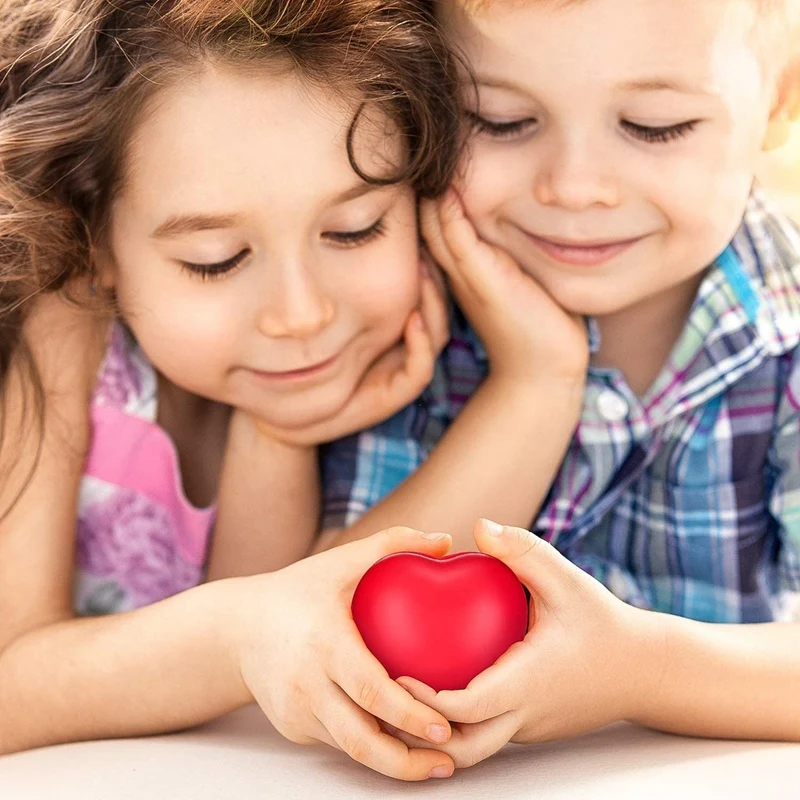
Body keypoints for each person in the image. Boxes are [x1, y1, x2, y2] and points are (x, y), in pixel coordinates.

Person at [316, 0, 800, 765]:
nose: (575, 188)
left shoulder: (789, 327)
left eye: (654, 126)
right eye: (500, 120)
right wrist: (533, 382)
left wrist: (637, 672)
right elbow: (328, 617)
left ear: (781, 97)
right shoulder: (401, 307)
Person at [0, 0, 470, 779]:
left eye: (354, 229)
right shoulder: (60, 334)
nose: (301, 315)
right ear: (94, 241)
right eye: (216, 259)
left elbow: (238, 690)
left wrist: (277, 432)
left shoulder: (333, 377)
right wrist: (237, 631)